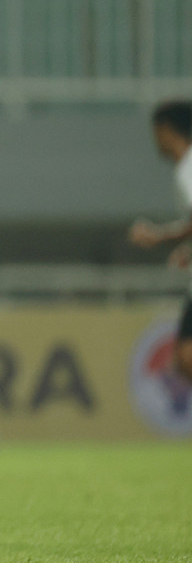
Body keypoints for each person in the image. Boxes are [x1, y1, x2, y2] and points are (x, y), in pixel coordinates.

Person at [129, 101, 192, 383]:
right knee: (185, 357)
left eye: (155, 133)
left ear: (166, 131)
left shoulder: (188, 170)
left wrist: (159, 236)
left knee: (187, 356)